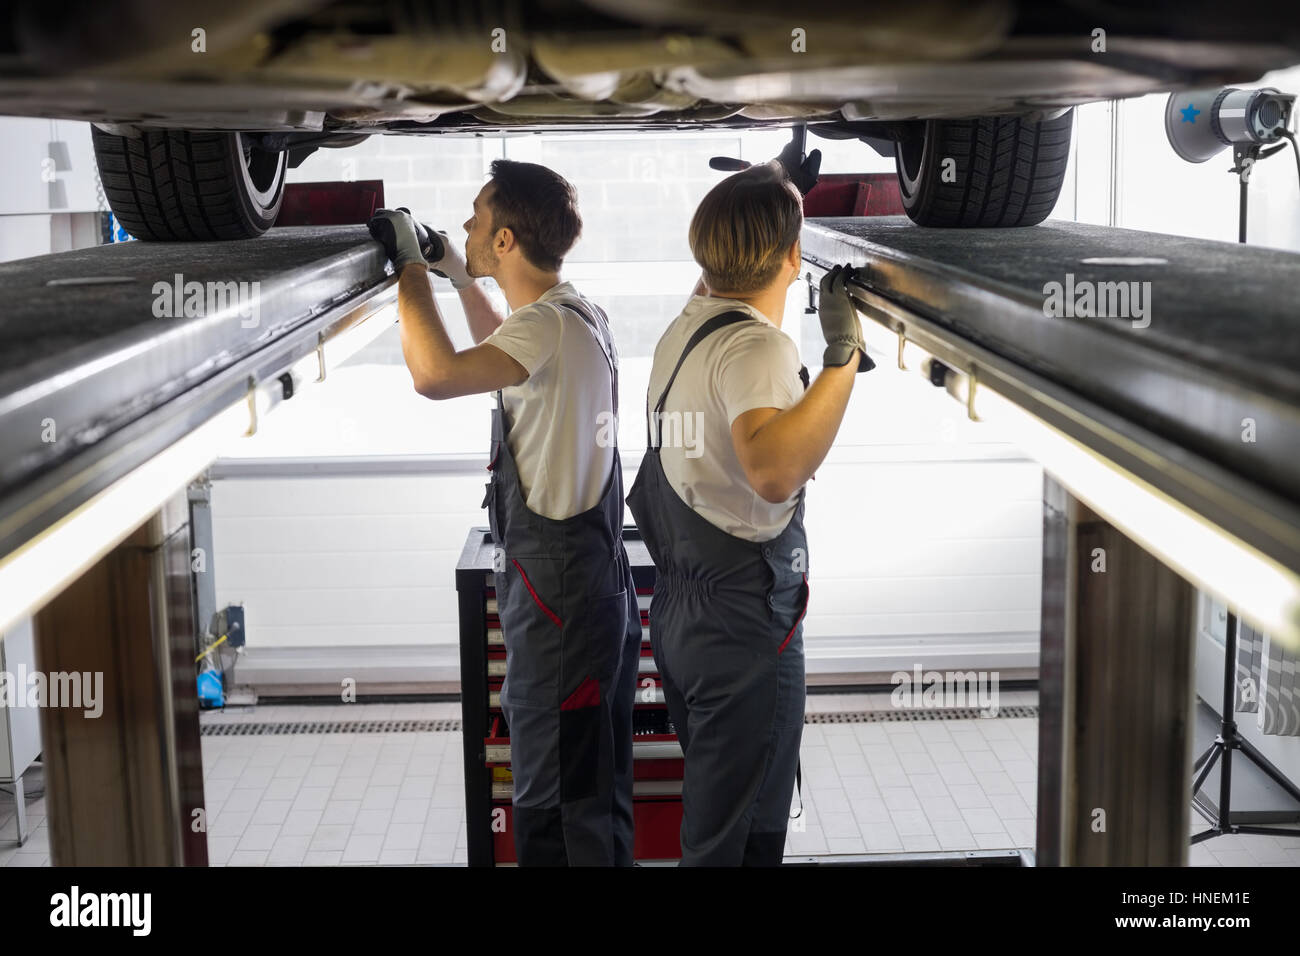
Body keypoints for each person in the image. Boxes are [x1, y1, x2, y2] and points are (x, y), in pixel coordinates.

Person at [368, 160, 641, 866]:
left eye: (477, 218)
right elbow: (501, 338)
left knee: (554, 807)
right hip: (593, 591)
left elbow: (436, 374)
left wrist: (408, 269)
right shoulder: (571, 314)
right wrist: (456, 271)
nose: (466, 223)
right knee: (594, 791)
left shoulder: (548, 327)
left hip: (560, 611)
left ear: (508, 241)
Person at [626, 158, 873, 866]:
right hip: (741, 623)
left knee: (724, 811)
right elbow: (771, 471)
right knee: (735, 837)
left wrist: (772, 187)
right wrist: (843, 359)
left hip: (683, 615)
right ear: (794, 255)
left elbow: (722, 276)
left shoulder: (689, 326)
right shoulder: (758, 347)